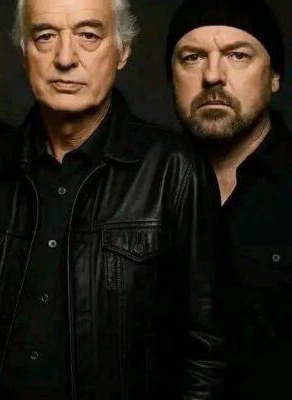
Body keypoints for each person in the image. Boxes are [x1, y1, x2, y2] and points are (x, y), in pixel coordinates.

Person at [0, 0, 225, 398]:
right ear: (24, 52)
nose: (65, 58)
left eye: (88, 35)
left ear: (122, 51)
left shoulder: (173, 170)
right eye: (45, 36)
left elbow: (207, 351)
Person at [167, 0, 291, 397]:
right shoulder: (137, 185)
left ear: (274, 76)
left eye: (238, 56)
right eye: (192, 57)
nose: (212, 76)